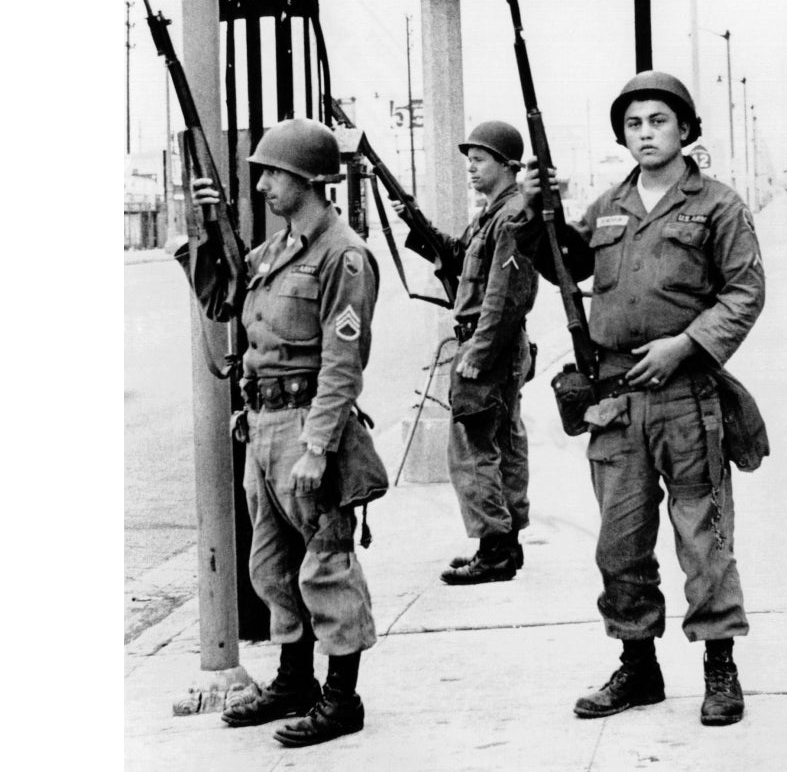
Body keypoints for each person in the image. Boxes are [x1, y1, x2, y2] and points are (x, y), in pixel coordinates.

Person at [513, 71, 765, 727]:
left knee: (703, 538)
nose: (646, 133)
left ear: (685, 129)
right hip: (616, 399)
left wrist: (686, 345)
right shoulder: (608, 205)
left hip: (684, 394)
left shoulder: (717, 207)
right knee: (619, 544)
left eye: (658, 120)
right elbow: (566, 264)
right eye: (634, 123)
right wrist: (538, 216)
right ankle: (638, 667)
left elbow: (743, 294)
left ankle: (719, 668)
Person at [191, 118, 387, 749]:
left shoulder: (342, 254)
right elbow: (225, 301)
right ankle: (294, 680)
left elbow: (342, 361)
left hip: (308, 426)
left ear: (305, 177)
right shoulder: (274, 252)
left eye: (272, 172)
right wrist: (204, 231)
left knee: (326, 565)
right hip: (265, 424)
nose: (264, 183)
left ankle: (341, 698)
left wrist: (318, 445)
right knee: (272, 566)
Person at [395, 121, 539, 584]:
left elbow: (504, 294)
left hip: (489, 341)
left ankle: (494, 550)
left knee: (473, 447)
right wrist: (415, 221)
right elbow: (460, 257)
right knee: (504, 442)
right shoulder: (494, 213)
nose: (471, 169)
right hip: (496, 342)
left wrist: (477, 352)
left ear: (507, 165)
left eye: (479, 160)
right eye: (469, 161)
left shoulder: (512, 215)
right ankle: (506, 544)